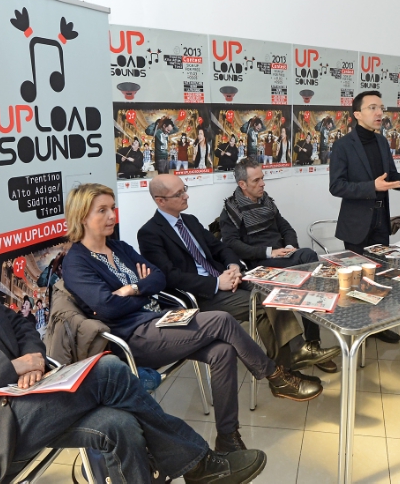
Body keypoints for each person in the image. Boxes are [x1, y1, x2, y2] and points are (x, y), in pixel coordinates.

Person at [0, 220, 266, 484]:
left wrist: (33, 361)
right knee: (110, 371)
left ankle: (195, 466)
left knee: (120, 425)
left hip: (29, 397)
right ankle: (200, 464)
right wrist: (8, 368)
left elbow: (20, 324)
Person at [61, 184, 322, 453]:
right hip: (132, 336)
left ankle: (228, 438)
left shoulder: (119, 248)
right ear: (82, 216)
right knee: (221, 320)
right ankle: (276, 376)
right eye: (102, 210)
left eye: (112, 208)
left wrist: (134, 288)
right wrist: (142, 290)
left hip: (159, 318)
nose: (111, 216)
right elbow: (108, 308)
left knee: (222, 351)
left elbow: (157, 277)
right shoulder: (76, 262)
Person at [138, 175, 339, 373]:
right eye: (178, 193)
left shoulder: (189, 221)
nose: (186, 196)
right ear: (160, 200)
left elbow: (220, 247)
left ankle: (285, 366)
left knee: (273, 291)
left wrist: (233, 266)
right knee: (264, 302)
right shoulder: (150, 233)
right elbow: (170, 276)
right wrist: (216, 283)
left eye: (185, 189)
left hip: (227, 278)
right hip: (202, 293)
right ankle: (289, 361)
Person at [220, 157, 340, 373]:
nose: (262, 184)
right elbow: (231, 244)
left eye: (262, 178)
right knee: (310, 263)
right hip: (260, 264)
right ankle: (308, 347)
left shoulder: (266, 201)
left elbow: (286, 228)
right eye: (256, 180)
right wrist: (269, 251)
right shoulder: (231, 210)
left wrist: (291, 246)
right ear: (242, 184)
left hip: (282, 257)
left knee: (309, 269)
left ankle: (312, 344)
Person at [328, 90, 400, 343]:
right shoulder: (342, 145)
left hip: (381, 219)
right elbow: (337, 186)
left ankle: (376, 325)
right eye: (372, 108)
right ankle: (356, 329)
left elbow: (390, 177)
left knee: (379, 275)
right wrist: (372, 187)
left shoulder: (381, 142)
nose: (380, 112)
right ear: (357, 114)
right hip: (356, 223)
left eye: (381, 108)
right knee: (357, 278)